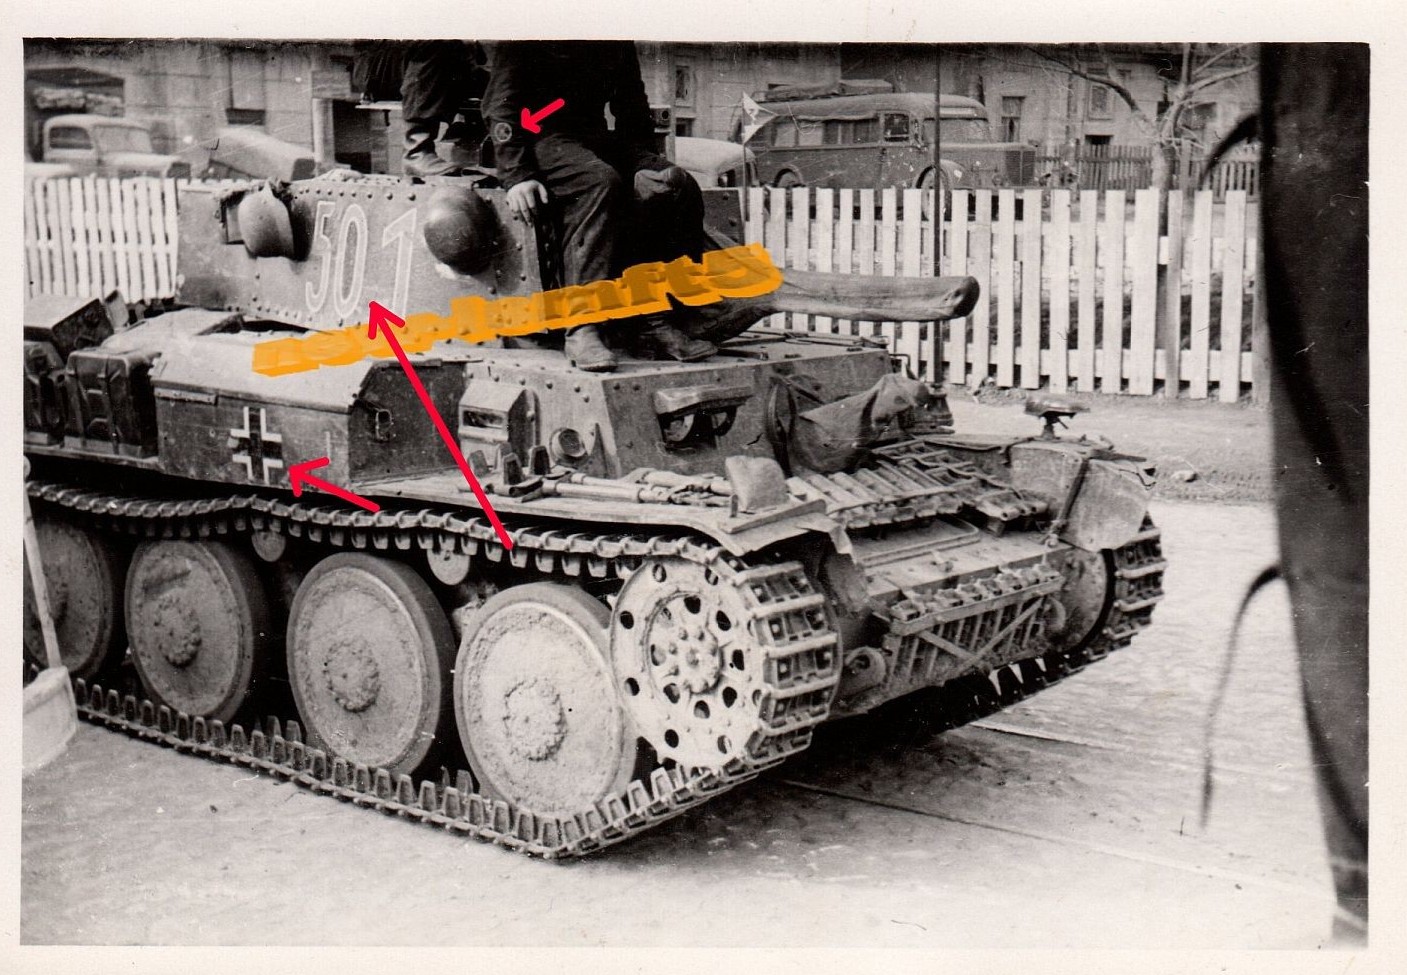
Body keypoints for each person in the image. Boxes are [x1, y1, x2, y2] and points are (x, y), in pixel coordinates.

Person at [480, 40, 716, 371]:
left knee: (675, 182)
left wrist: (644, 161)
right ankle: (582, 326)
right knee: (600, 182)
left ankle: (659, 319)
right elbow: (500, 105)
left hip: (593, 137)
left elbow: (632, 105)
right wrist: (516, 175)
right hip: (540, 139)